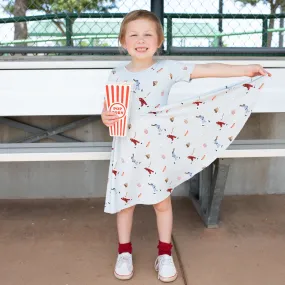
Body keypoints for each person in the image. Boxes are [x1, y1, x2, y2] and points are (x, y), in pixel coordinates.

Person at [101, 9, 271, 283]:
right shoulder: (116, 73)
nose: (141, 39)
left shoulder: (168, 68)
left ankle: (165, 253)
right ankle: (124, 252)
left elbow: (207, 70)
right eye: (133, 34)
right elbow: (108, 109)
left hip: (157, 149)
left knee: (161, 202)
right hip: (126, 150)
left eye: (148, 34)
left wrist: (246, 70)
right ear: (123, 42)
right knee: (126, 202)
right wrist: (105, 116)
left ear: (159, 41)